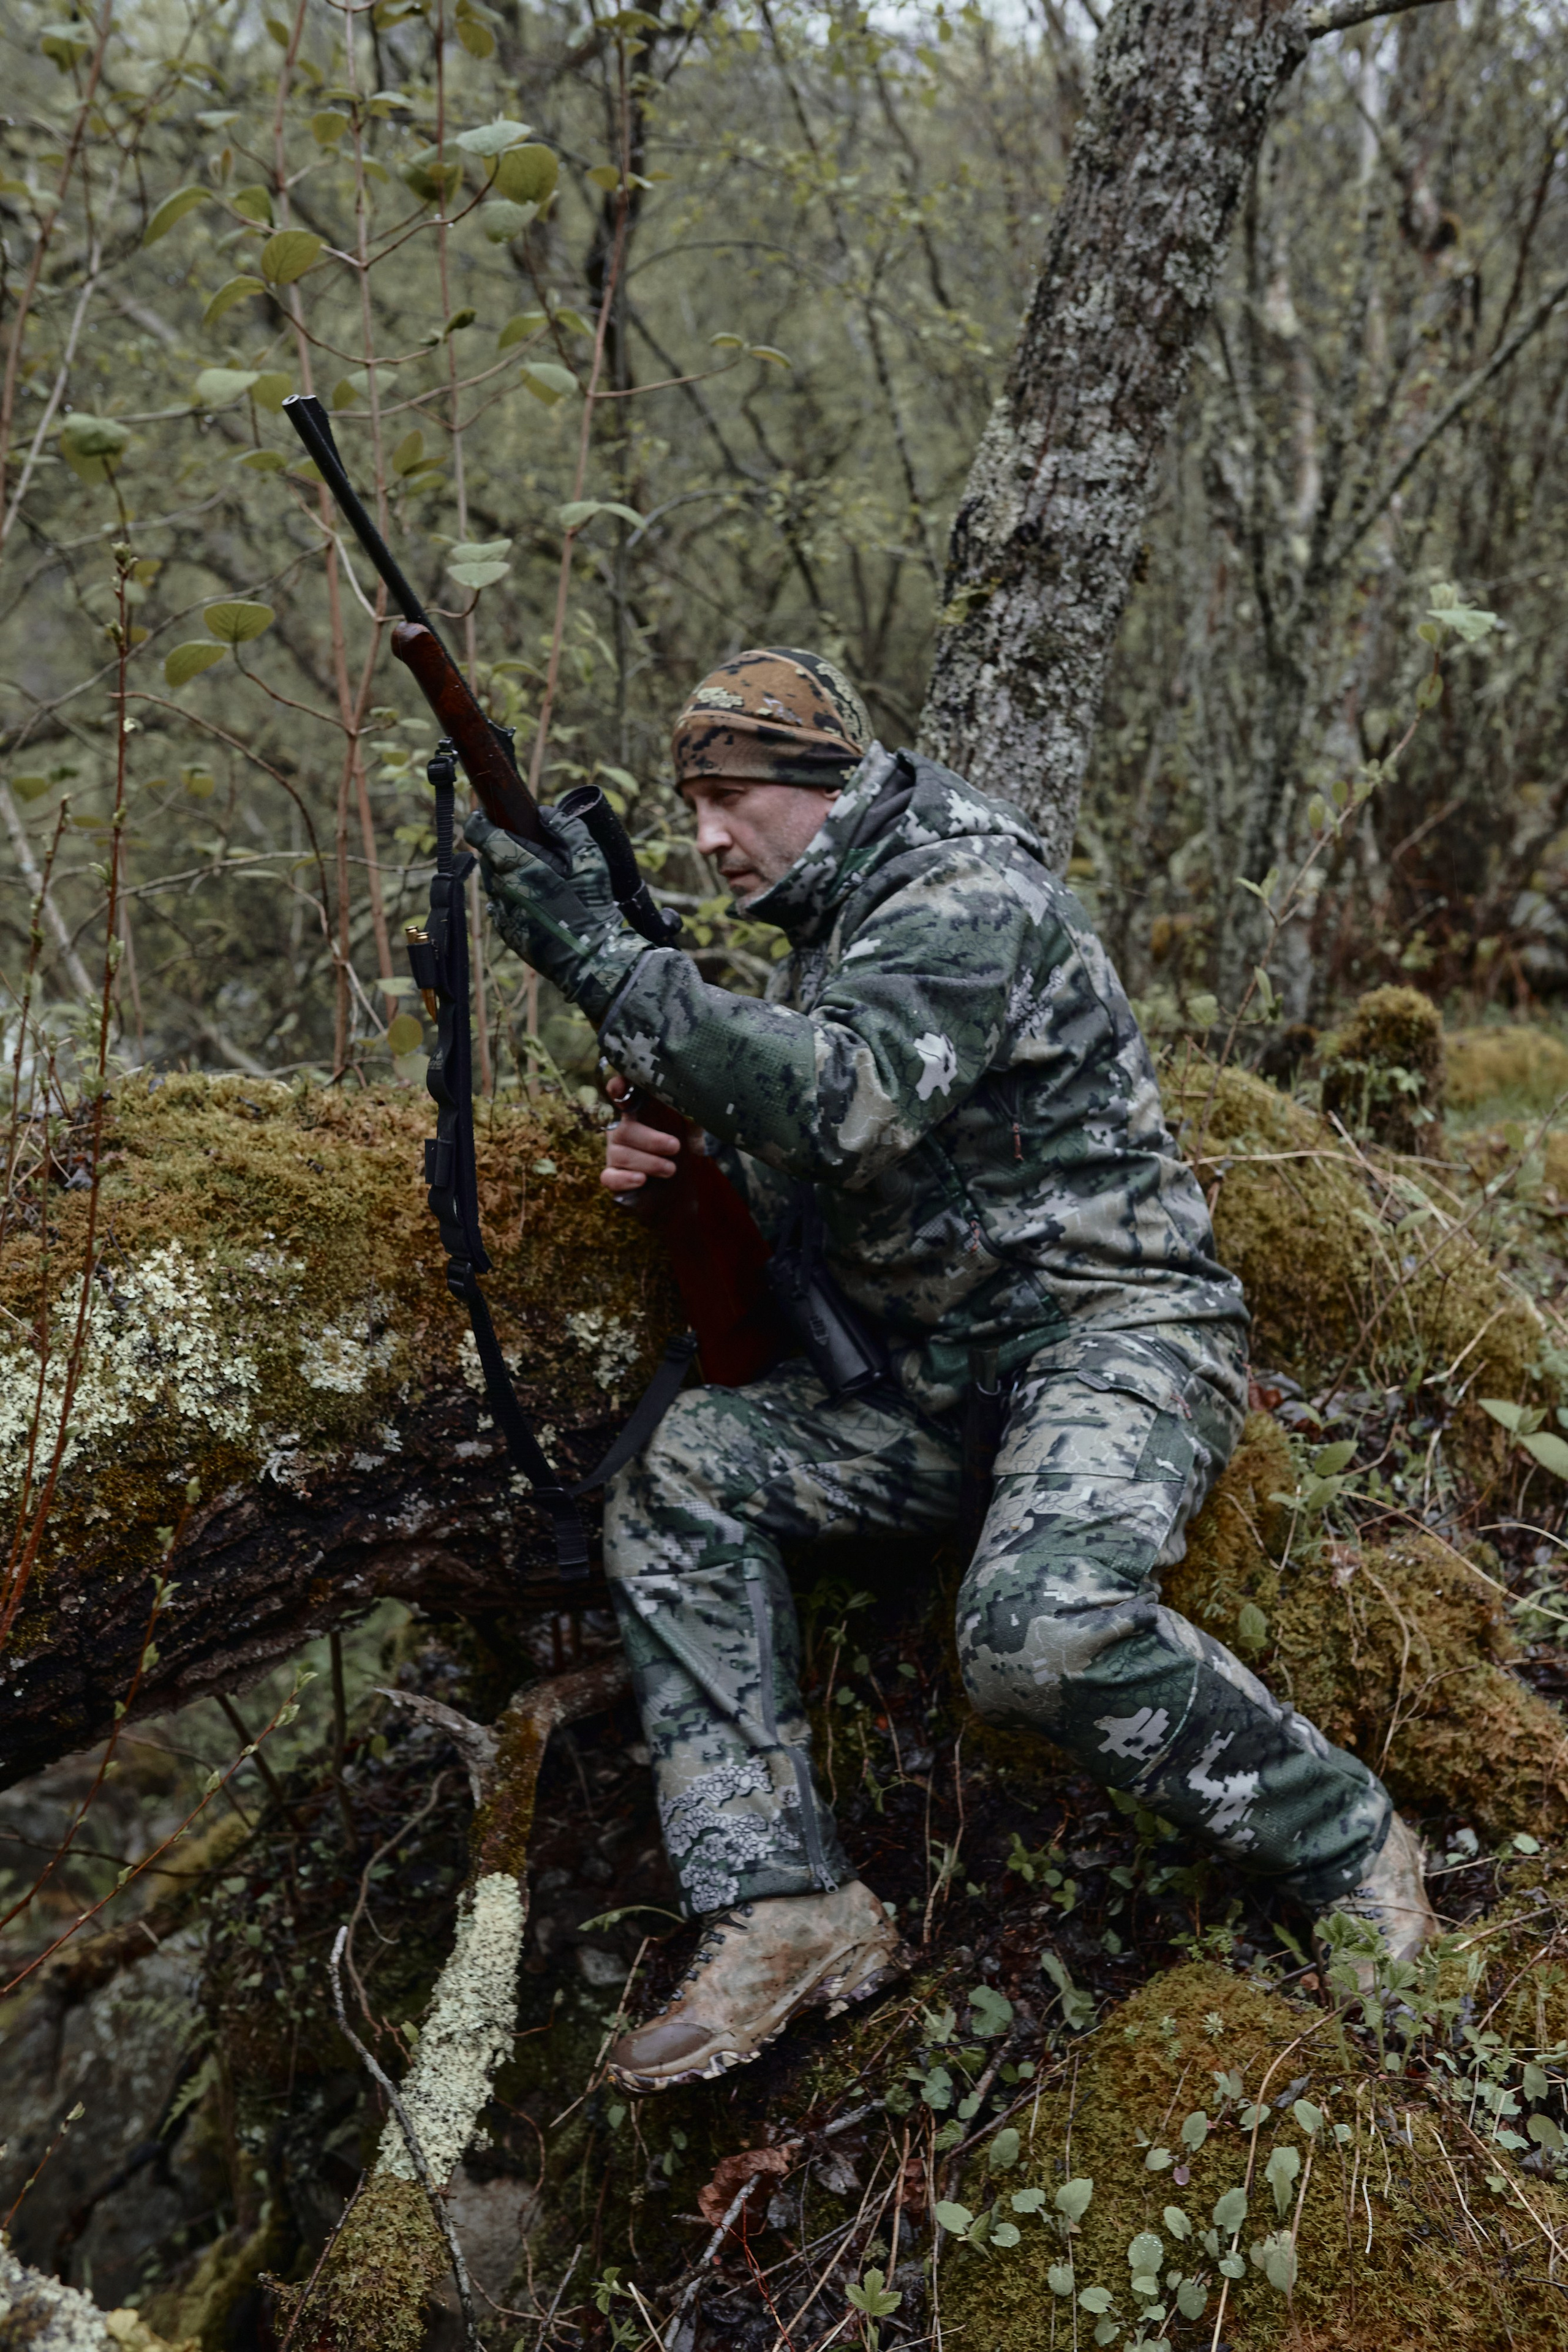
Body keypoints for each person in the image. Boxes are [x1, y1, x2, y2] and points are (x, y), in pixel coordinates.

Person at [466, 646, 1436, 2094]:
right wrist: (684, 1158)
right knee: (680, 1476)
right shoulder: (826, 924)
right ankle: (785, 1904)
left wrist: (604, 965)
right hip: (938, 1379)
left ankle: (1344, 1839)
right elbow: (847, 1170)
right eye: (692, 807)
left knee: (1038, 1638)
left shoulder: (960, 891)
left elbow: (847, 1104)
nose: (708, 838)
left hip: (1112, 1338)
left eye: (731, 800)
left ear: (823, 783)